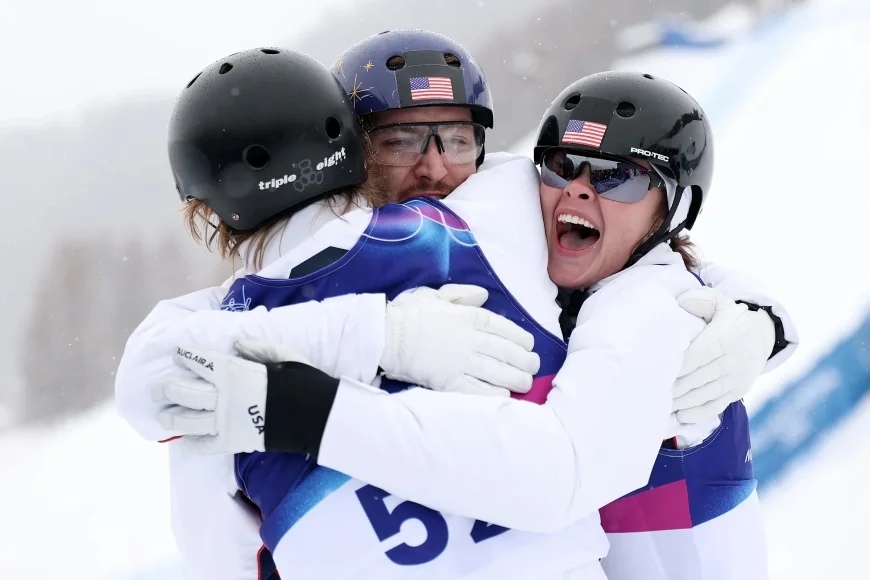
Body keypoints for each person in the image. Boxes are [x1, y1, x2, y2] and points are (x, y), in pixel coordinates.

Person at [117, 32, 795, 579]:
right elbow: (155, 379)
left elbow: (645, 247)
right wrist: (375, 336)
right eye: (401, 143)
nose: (437, 170)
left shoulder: (510, 207)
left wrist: (754, 317)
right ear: (351, 150)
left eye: (458, 139)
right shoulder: (485, 225)